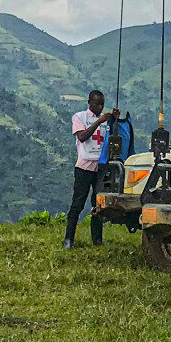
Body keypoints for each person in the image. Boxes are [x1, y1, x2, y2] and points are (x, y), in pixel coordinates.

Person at [65, 89, 113, 249]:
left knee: (98, 204)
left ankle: (97, 239)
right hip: (84, 168)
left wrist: (114, 120)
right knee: (77, 204)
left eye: (102, 104)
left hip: (100, 168)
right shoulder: (79, 117)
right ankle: (68, 240)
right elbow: (82, 136)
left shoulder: (105, 121)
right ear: (89, 103)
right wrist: (99, 122)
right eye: (97, 103)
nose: (100, 107)